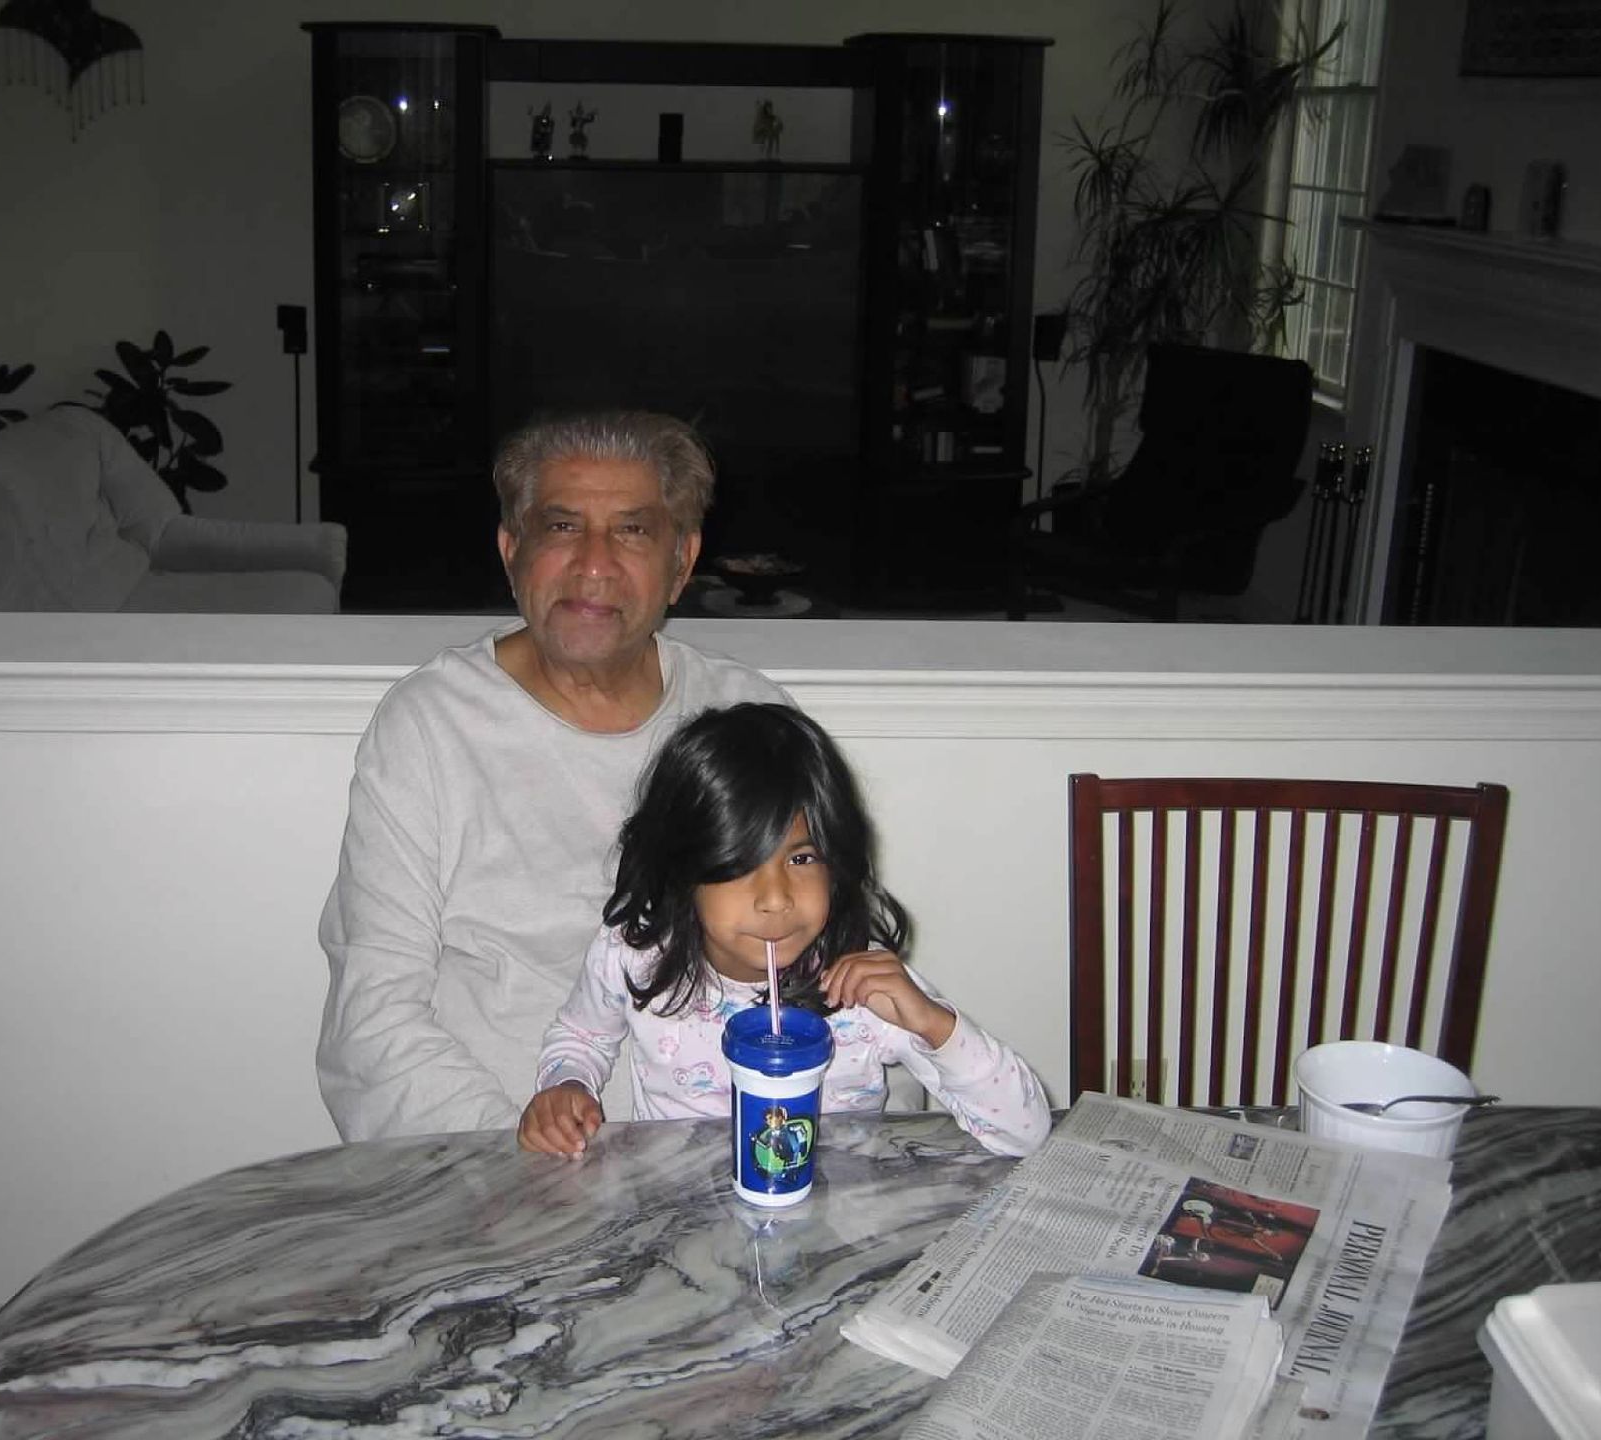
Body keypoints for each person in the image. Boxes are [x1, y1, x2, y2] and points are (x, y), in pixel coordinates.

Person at [317, 411, 788, 1140]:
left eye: (632, 530)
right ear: (512, 552)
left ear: (681, 563)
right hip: (490, 1156)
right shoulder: (430, 725)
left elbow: (832, 965)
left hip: (728, 1158)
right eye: (562, 527)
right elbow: (371, 1025)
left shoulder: (749, 720)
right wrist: (525, 1171)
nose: (594, 564)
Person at [517, 703, 1051, 1159]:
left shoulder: (865, 989)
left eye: (801, 858)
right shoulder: (635, 955)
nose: (775, 899)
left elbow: (1024, 1133)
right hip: (678, 1217)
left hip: (839, 1223)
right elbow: (582, 1036)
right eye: (740, 864)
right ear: (681, 869)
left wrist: (934, 1024)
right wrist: (566, 1084)